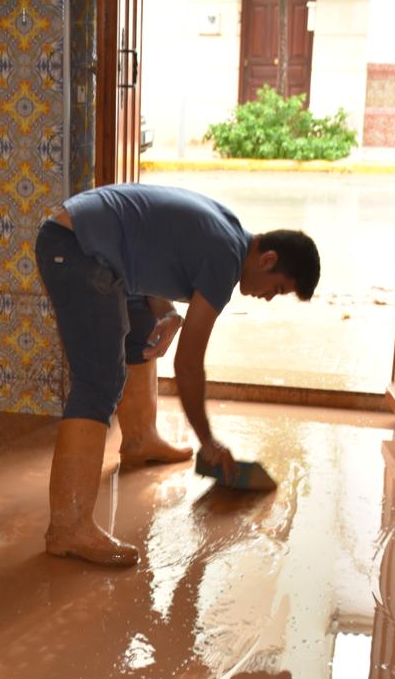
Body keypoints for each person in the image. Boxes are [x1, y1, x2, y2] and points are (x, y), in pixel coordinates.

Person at [34, 183, 321, 567]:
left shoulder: (231, 234)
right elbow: (188, 364)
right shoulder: (225, 258)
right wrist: (209, 442)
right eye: (278, 289)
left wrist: (166, 311)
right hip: (75, 248)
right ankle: (68, 527)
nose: (269, 297)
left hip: (91, 245)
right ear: (268, 260)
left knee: (140, 330)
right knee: (97, 381)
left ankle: (139, 441)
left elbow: (148, 248)